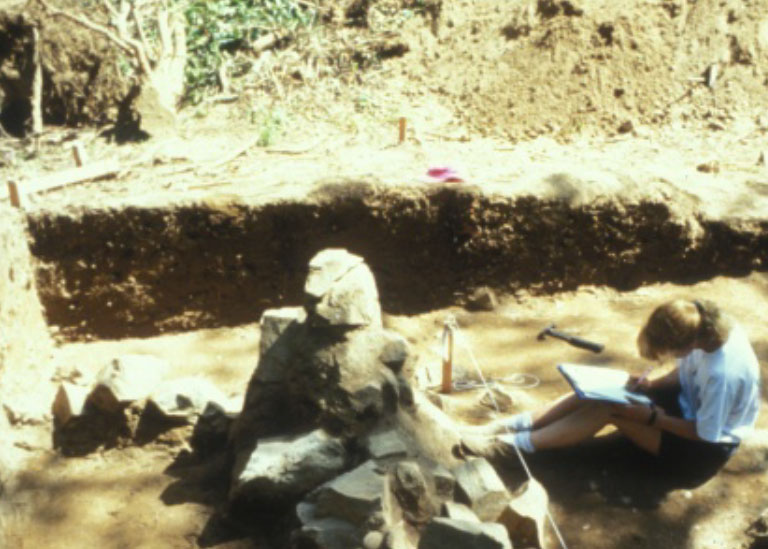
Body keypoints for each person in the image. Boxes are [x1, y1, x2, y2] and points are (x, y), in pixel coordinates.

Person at [460, 299, 761, 470]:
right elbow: (682, 375)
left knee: (610, 410)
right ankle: (506, 427)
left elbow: (707, 434)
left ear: (688, 343)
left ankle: (511, 448)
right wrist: (652, 386)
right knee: (599, 390)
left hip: (701, 451)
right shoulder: (703, 331)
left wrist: (654, 418)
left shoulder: (724, 374)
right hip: (685, 412)